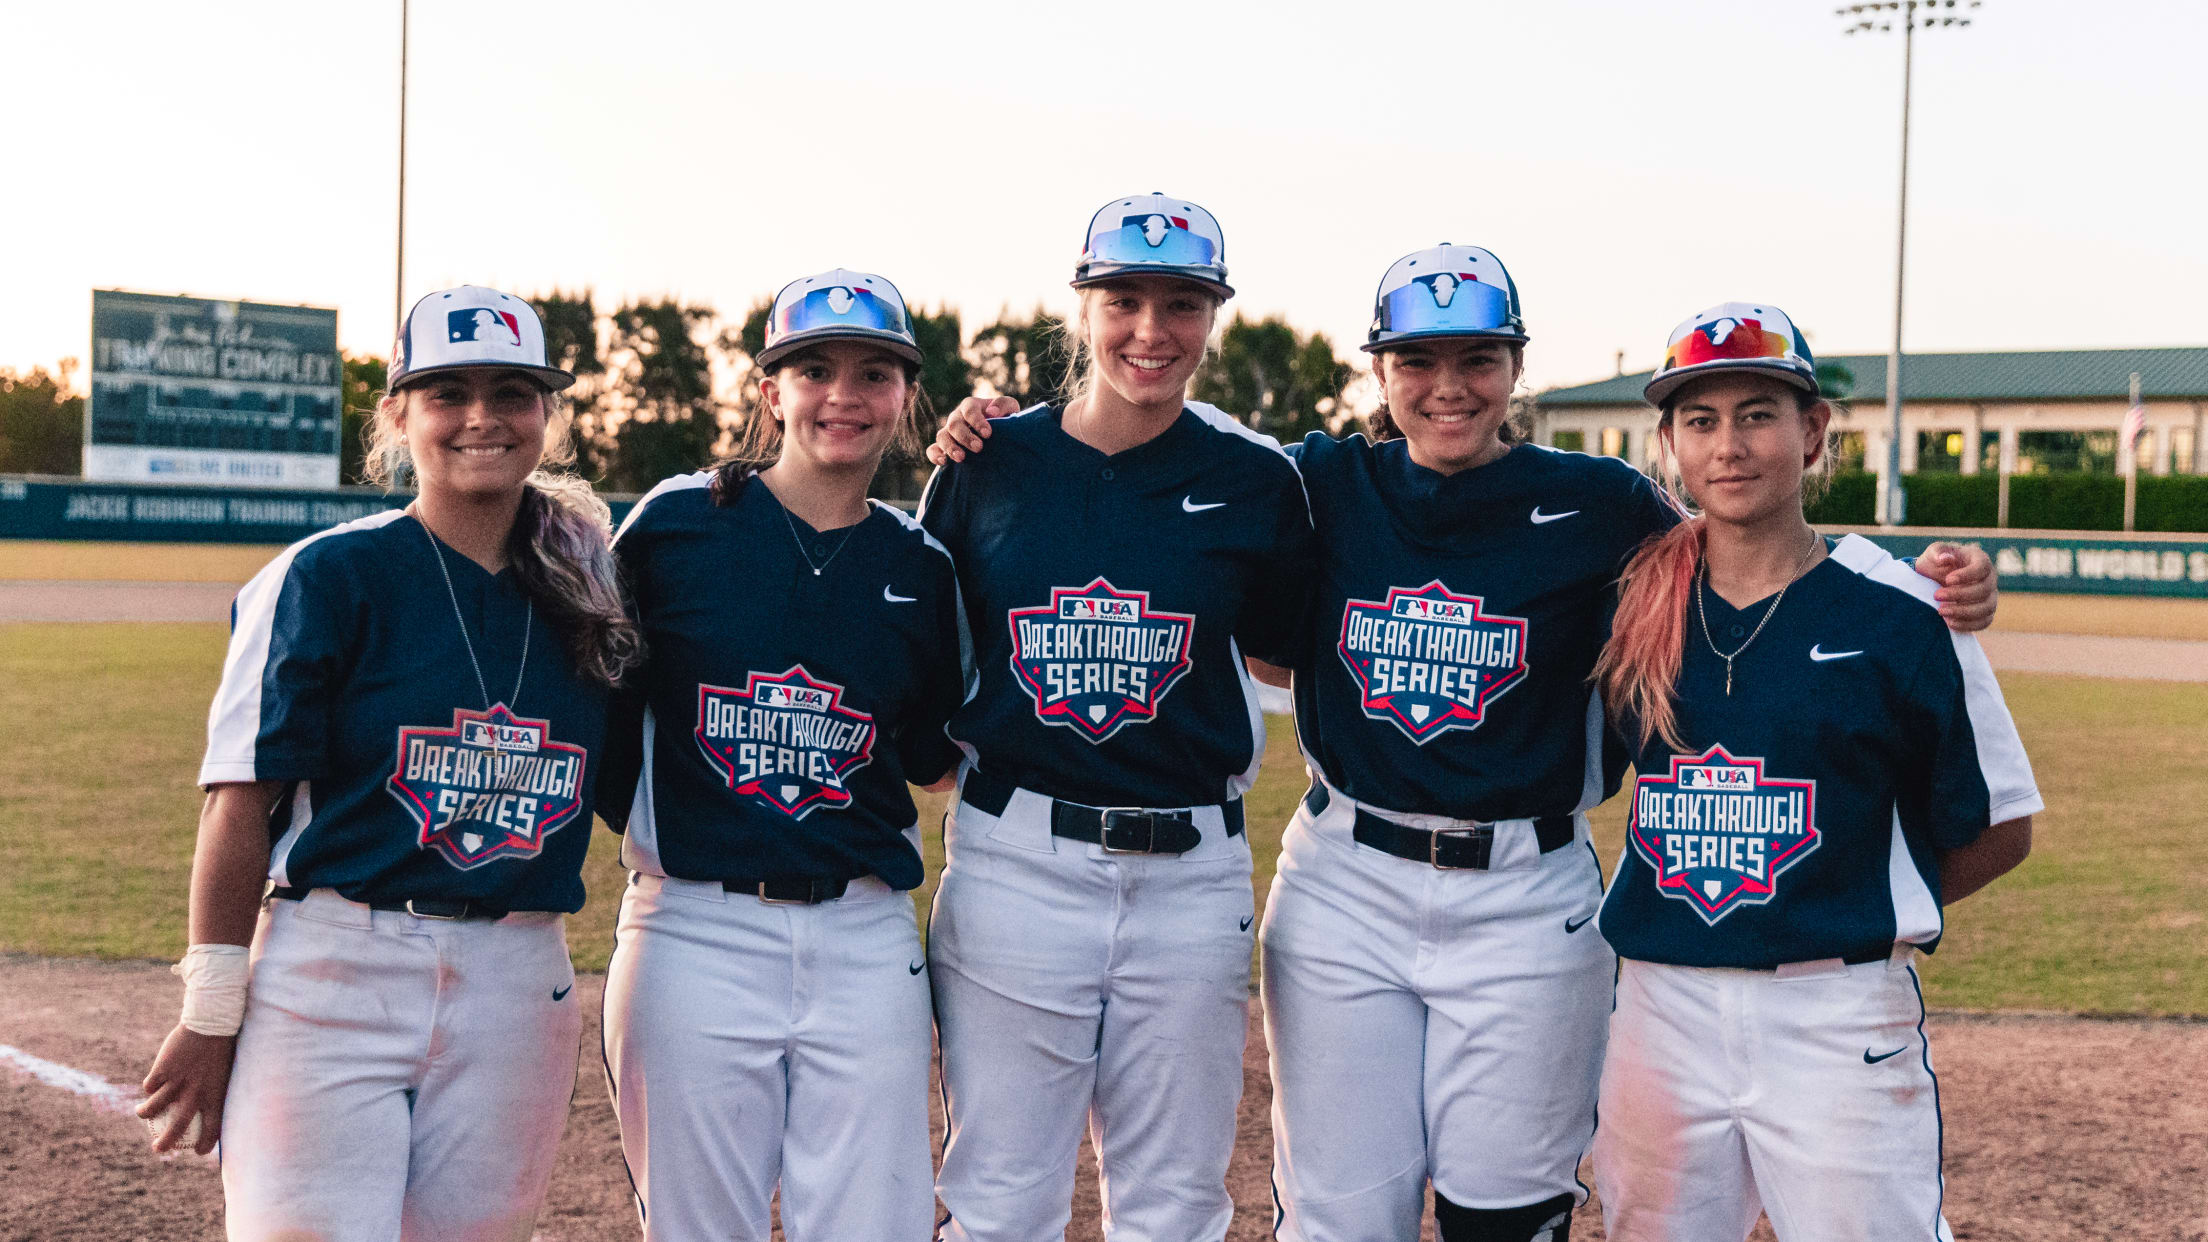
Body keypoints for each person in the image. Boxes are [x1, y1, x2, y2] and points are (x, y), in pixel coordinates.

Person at [929, 251, 2001, 1242]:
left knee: (1507, 1210)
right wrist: (1005, 431)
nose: (1449, 387)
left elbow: (1752, 543)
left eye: (1477, 360)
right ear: (1380, 373)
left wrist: (1932, 582)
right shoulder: (1320, 485)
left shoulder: (1600, 505)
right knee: (1341, 1214)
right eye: (1418, 361)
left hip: (1527, 894)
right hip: (1346, 883)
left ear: (1516, 368)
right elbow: (1165, 473)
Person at [138, 285, 639, 1241]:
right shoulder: (326, 575)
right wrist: (211, 1010)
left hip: (515, 980)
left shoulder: (592, 588)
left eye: (512, 392)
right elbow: (237, 805)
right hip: (333, 974)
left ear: (547, 414)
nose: (482, 417)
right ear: (399, 414)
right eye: (449, 392)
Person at [1588, 302, 2040, 1242]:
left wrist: (1853, 903)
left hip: (1835, 1015)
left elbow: (2002, 827)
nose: (1729, 446)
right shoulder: (1635, 600)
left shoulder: (1905, 611)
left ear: (1814, 429)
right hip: (1660, 1010)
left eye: (1758, 414)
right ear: (1671, 443)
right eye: (1701, 421)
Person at [917, 193, 1316, 1242]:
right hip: (1016, 862)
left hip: (1190, 873)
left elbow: (1286, 651)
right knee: (1001, 1200)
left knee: (1174, 1203)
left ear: (1214, 316)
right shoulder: (985, 462)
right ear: (1082, 308)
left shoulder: (1254, 477)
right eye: (1123, 299)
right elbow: (927, 659)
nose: (1151, 329)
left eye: (1182, 303)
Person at [595, 269, 967, 1242]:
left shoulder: (920, 566)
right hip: (695, 930)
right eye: (813, 370)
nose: (844, 395)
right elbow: (600, 725)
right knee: (695, 1225)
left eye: (873, 373)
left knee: (873, 1223)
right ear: (770, 391)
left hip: (863, 934)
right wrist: (694, 829)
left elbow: (931, 758)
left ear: (906, 396)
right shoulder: (676, 526)